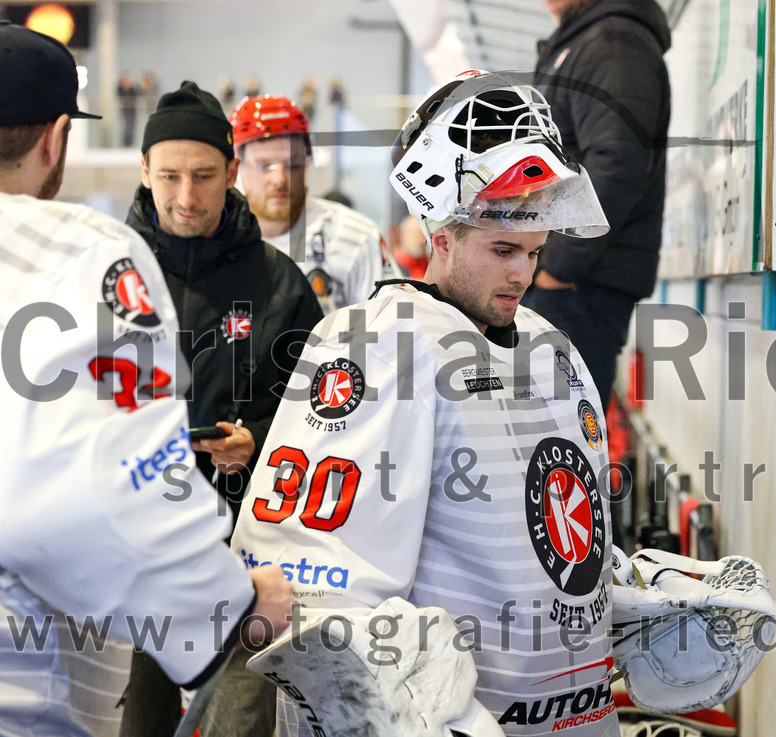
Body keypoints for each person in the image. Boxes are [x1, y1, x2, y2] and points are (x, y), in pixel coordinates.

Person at [232, 70, 621, 736]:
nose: (523, 274)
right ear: (439, 235)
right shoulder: (378, 347)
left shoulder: (554, 350)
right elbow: (308, 594)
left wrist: (634, 602)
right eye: (502, 249)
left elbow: (561, 550)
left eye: (535, 250)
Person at [0, 21, 293, 737]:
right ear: (55, 139)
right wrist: (225, 606)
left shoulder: (277, 279)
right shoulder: (85, 254)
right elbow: (111, 481)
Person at [120, 80, 323, 737]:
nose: (185, 197)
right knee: (143, 703)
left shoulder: (278, 283)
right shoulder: (107, 275)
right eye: (169, 176)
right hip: (140, 537)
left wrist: (257, 439)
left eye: (204, 176)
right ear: (144, 170)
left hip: (249, 541)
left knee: (238, 712)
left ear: (232, 172)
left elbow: (326, 415)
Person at [524, 0, 672, 409]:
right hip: (566, 282)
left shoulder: (613, 43)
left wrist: (557, 268)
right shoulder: (581, 40)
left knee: (557, 434)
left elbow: (617, 164)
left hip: (579, 285)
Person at [230, 94, 395, 314]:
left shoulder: (355, 238)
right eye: (264, 165)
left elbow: (394, 327)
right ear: (237, 169)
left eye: (293, 164)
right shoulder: (216, 239)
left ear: (308, 164)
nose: (279, 179)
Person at [116, 71, 138, 147]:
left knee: (131, 127)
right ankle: (125, 143)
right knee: (125, 127)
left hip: (132, 111)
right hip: (125, 111)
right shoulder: (120, 89)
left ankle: (130, 143)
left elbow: (137, 95)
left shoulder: (133, 90)